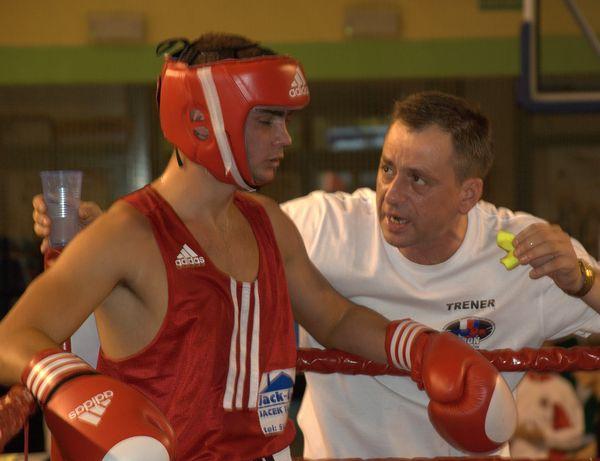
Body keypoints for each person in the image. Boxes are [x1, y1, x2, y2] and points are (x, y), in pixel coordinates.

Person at [1, 38, 516, 461]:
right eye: (267, 120)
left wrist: (422, 349)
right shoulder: (129, 233)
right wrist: (69, 387)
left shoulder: (267, 220)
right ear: (202, 121)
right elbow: (11, 336)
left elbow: (333, 317)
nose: (285, 138)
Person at [511, 370, 586, 459]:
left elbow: (577, 436)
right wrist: (513, 431)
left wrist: (545, 436)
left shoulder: (562, 388)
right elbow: (496, 430)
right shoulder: (515, 384)